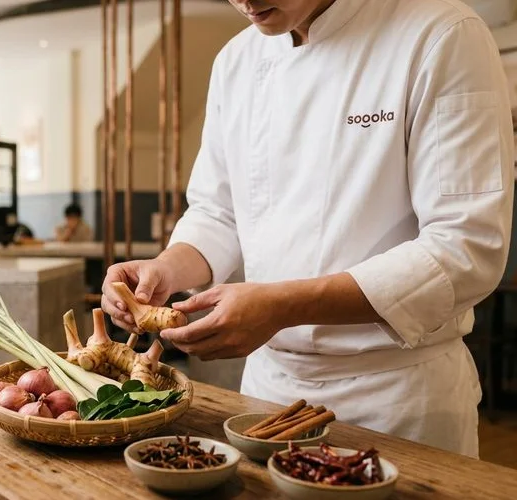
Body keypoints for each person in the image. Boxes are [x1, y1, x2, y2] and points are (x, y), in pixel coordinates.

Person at [101, 0, 514, 458]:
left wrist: (282, 305)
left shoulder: (441, 34)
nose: (245, 0)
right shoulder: (236, 61)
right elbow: (218, 212)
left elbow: (465, 249)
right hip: (266, 394)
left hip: (395, 399)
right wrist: (166, 269)